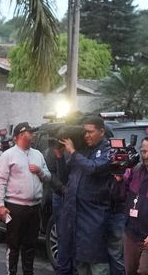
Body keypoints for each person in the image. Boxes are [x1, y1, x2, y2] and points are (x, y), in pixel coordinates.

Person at [59, 116, 113, 275]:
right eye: (85, 132)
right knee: (80, 263)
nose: (86, 136)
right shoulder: (84, 150)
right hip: (76, 215)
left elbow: (93, 168)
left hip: (94, 217)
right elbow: (64, 176)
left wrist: (73, 152)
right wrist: (59, 156)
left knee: (97, 264)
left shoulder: (107, 150)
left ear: (101, 131)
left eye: (90, 132)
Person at [0, 122, 50, 275]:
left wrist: (40, 171)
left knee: (30, 244)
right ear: (20, 135)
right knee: (13, 245)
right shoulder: (8, 155)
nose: (32, 135)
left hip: (34, 207)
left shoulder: (38, 154)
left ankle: (28, 272)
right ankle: (11, 272)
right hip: (15, 207)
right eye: (30, 132)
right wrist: (0, 204)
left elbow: (48, 176)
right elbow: (0, 181)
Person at [123, 138, 148, 275]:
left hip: (146, 238)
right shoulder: (136, 170)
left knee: (143, 271)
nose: (145, 155)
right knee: (130, 271)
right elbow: (121, 195)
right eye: (143, 151)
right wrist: (119, 180)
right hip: (131, 234)